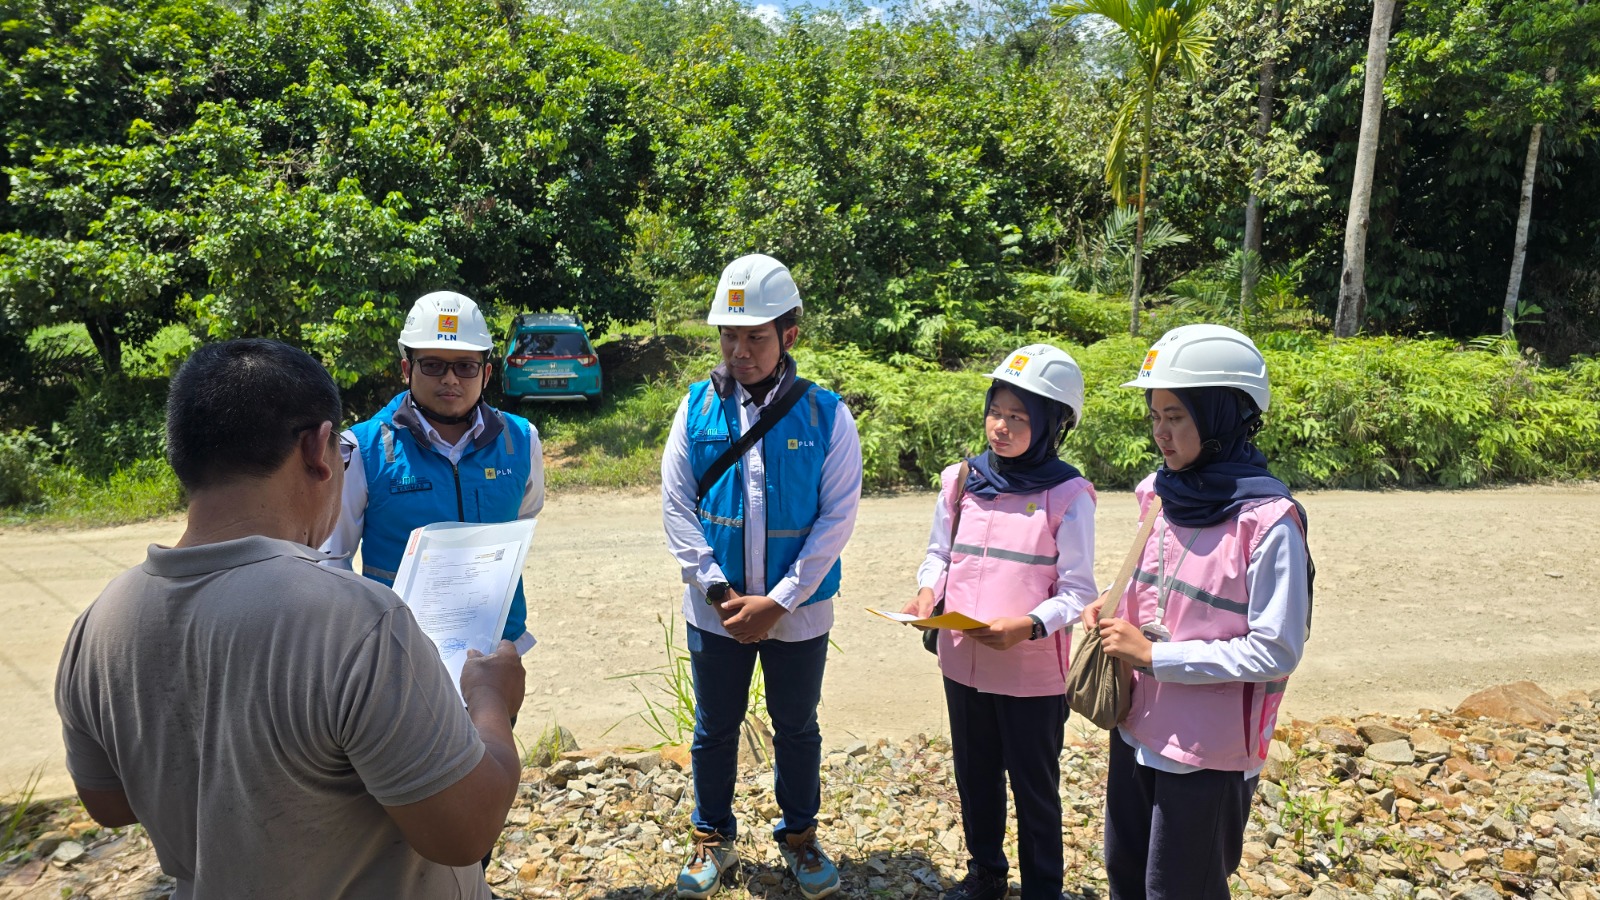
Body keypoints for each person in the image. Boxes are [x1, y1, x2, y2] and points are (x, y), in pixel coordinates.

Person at [54, 339, 526, 899]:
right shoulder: (357, 623)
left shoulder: (99, 624)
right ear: (317, 449)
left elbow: (109, 805)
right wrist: (491, 701)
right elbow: (465, 833)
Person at [1083, 324, 1312, 900]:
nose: (1160, 432)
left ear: (1222, 417)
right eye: (1154, 416)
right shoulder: (1160, 493)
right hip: (1136, 724)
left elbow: (1277, 650)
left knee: (1182, 889)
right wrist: (1110, 603)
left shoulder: (1268, 522)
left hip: (1207, 753)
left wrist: (1154, 656)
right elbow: (1154, 585)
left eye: (1177, 417)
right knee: (1125, 876)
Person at [661, 253, 863, 900]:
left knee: (797, 727)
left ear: (788, 335)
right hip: (714, 612)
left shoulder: (827, 415)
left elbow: (836, 520)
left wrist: (778, 601)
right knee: (713, 728)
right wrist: (720, 593)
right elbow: (676, 508)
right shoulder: (695, 409)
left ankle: (800, 837)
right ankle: (713, 837)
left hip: (798, 615)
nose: (740, 351)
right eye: (729, 335)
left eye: (755, 336)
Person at [900, 344, 1098, 900]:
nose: (1001, 427)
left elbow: (1078, 591)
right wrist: (928, 590)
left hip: (1031, 674)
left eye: (1019, 417)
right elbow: (939, 553)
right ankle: (986, 875)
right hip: (961, 660)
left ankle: (1043, 889)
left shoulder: (1068, 495)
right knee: (975, 776)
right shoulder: (962, 479)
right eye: (996, 412)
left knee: (1035, 789)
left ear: (1054, 425)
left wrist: (1029, 625)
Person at [322, 291, 544, 654]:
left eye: (465, 366)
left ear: (486, 373)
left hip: (497, 646)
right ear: (407, 370)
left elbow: (523, 514)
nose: (451, 379)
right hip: (401, 650)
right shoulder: (360, 449)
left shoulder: (522, 440)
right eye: (433, 365)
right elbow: (333, 560)